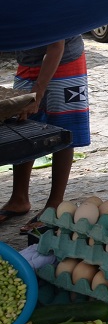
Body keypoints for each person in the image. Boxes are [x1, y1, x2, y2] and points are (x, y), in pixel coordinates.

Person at [1, 37, 90, 234]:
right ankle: (19, 198)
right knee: (21, 123)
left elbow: (56, 45)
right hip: (28, 59)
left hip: (64, 57)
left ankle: (55, 203)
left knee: (63, 129)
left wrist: (38, 93)